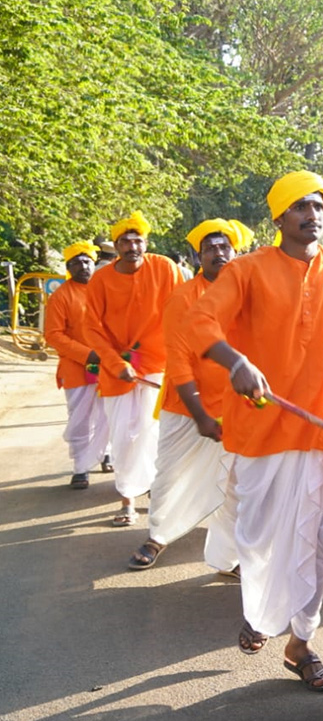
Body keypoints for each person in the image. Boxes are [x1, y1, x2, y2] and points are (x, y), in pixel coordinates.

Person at [187, 170, 323, 691]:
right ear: (279, 217)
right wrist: (234, 361)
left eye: (319, 207)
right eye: (301, 207)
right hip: (262, 429)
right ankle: (261, 610)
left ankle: (300, 641)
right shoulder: (248, 270)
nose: (313, 215)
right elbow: (201, 323)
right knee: (259, 537)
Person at [127, 219, 249, 573]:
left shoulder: (247, 292)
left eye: (224, 246)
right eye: (210, 248)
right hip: (186, 405)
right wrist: (199, 414)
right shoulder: (183, 297)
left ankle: (228, 558)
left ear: (235, 252)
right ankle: (157, 536)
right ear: (199, 256)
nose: (218, 253)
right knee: (170, 473)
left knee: (234, 483)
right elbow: (178, 360)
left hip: (235, 405)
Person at [85, 212, 186, 526]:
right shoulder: (100, 279)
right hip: (118, 369)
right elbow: (92, 329)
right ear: (115, 246)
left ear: (146, 242)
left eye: (137, 240)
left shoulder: (166, 268)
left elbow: (185, 309)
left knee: (156, 433)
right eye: (125, 241)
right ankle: (127, 499)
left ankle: (157, 490)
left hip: (159, 364)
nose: (132, 246)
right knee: (124, 435)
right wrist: (116, 364)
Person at [44, 241, 111, 489]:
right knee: (80, 420)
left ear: (94, 264)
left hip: (109, 366)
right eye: (76, 263)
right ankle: (81, 468)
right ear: (69, 268)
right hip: (76, 368)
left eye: (87, 261)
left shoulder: (106, 290)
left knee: (109, 414)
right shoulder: (61, 296)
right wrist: (87, 354)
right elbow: (53, 335)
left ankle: (107, 454)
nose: (82, 266)